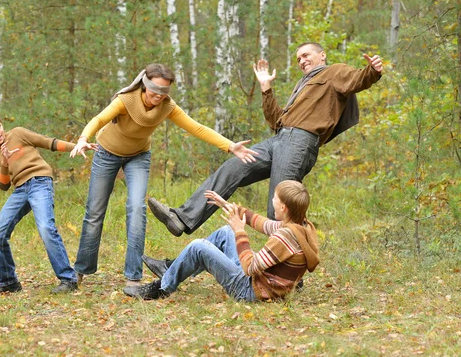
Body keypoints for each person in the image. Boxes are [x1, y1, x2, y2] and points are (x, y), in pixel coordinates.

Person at [148, 43, 383, 236]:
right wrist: (266, 88)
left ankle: (286, 271)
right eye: (298, 58)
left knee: (279, 206)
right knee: (233, 168)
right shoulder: (302, 85)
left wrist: (372, 70)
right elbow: (275, 121)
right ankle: (182, 218)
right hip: (279, 139)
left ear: (322, 55)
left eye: (306, 55)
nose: (301, 61)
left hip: (300, 142)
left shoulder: (334, 72)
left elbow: (358, 80)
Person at [69, 63, 259, 290]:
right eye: (154, 91)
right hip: (106, 153)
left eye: (164, 92)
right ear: (144, 85)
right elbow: (99, 119)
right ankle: (81, 269)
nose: (158, 97)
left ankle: (133, 276)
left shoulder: (167, 106)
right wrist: (83, 138)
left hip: (138, 156)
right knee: (95, 212)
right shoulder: (126, 100)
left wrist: (230, 146)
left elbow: (196, 128)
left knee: (137, 208)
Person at [124, 180, 319, 301]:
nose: (272, 201)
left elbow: (250, 268)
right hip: (260, 283)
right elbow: (263, 224)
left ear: (283, 207)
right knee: (225, 231)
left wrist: (240, 232)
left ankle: (161, 288)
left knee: (198, 246)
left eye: (274, 198)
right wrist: (226, 205)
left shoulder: (284, 237)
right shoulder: (301, 227)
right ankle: (174, 268)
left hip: (250, 290)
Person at [0, 111, 97, 295]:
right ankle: (9, 282)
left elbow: (49, 142)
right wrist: (5, 163)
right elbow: (3, 185)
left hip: (39, 181)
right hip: (20, 190)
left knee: (46, 228)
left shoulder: (18, 134)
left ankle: (68, 279)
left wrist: (78, 146)